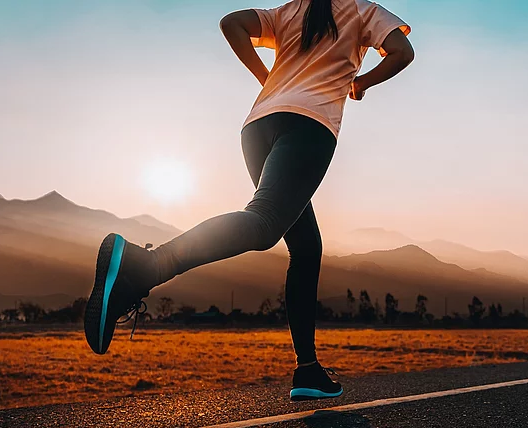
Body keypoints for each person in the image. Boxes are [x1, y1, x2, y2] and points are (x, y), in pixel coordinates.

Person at [83, 0, 414, 401]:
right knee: (264, 223)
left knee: (306, 247)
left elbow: (232, 24)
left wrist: (267, 77)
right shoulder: (364, 11)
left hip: (258, 125)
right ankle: (145, 265)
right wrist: (359, 83)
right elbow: (401, 52)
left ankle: (308, 370)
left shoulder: (293, 10)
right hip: (310, 126)